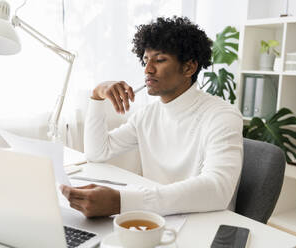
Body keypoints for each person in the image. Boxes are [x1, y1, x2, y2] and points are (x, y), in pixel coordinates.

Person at [61, 16, 243, 218]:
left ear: (189, 67)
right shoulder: (148, 115)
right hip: (157, 217)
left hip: (203, 221)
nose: (148, 70)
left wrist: (121, 202)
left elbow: (217, 189)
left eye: (160, 60)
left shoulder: (221, 116)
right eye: (146, 60)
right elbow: (97, 153)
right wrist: (96, 96)